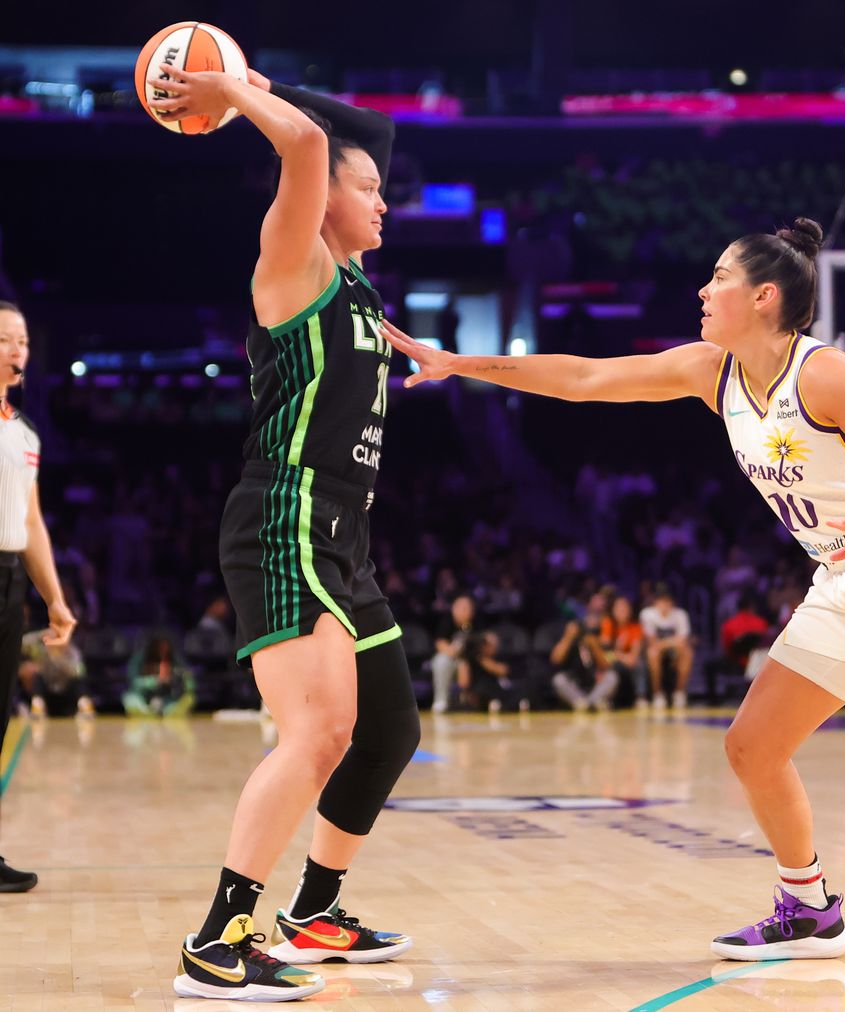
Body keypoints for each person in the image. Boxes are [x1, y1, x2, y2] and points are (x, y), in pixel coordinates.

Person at [383, 217, 845, 997]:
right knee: (753, 748)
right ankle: (808, 908)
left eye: (718, 275)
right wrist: (462, 363)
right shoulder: (709, 371)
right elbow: (585, 378)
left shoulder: (823, 374)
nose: (702, 287)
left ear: (763, 296)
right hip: (841, 575)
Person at [149, 63, 419, 1000]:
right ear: (322, 197)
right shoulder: (293, 260)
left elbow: (353, 129)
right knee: (317, 732)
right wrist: (229, 81)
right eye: (369, 187)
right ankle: (218, 940)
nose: (384, 203)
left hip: (345, 536)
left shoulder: (360, 293)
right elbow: (306, 143)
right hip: (287, 515)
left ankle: (313, 913)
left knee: (387, 728)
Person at [0, 299, 78, 893]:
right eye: (6, 338)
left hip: (8, 580)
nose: (17, 349)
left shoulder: (24, 434)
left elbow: (32, 522)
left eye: (22, 340)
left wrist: (53, 597)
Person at [639, 587, 695, 710]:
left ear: (672, 602)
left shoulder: (680, 614)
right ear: (655, 602)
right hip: (656, 651)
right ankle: (658, 693)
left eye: (667, 601)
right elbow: (652, 642)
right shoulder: (647, 614)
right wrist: (673, 642)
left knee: (687, 652)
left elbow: (683, 640)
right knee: (653, 653)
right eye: (661, 601)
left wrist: (665, 643)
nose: (664, 604)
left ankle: (679, 693)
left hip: (674, 651)